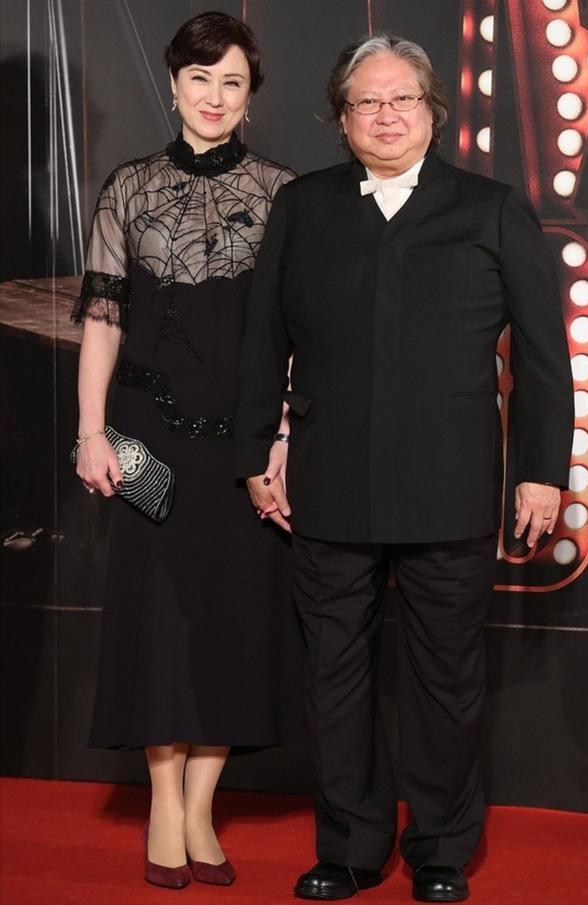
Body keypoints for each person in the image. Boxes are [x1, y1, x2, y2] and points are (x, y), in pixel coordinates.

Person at [235, 32, 573, 903]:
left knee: (446, 680)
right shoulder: (303, 206)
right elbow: (262, 339)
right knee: (334, 676)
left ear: (432, 110)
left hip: (450, 488)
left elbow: (544, 356)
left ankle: (440, 849)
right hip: (328, 482)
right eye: (367, 102)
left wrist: (541, 471)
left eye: (402, 99)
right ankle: (348, 847)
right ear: (342, 118)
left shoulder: (492, 208)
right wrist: (255, 450)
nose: (385, 115)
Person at [72, 10, 303, 891]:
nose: (214, 96)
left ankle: (203, 806)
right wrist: (91, 431)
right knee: (159, 617)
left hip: (244, 444)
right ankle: (164, 807)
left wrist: (283, 435)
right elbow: (102, 319)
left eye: (231, 81)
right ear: (173, 85)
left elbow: (295, 333)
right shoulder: (127, 188)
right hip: (143, 436)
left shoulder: (284, 193)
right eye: (200, 78)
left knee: (234, 617)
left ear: (250, 96)